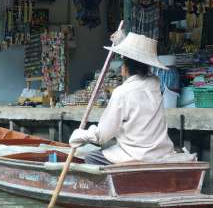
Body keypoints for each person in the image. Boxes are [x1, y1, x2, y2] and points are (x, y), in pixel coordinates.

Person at [69, 32, 189, 165]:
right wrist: (123, 42)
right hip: (159, 153)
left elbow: (102, 136)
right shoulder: (154, 85)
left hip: (135, 155)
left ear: (124, 68)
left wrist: (79, 134)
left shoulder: (122, 92)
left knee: (91, 157)